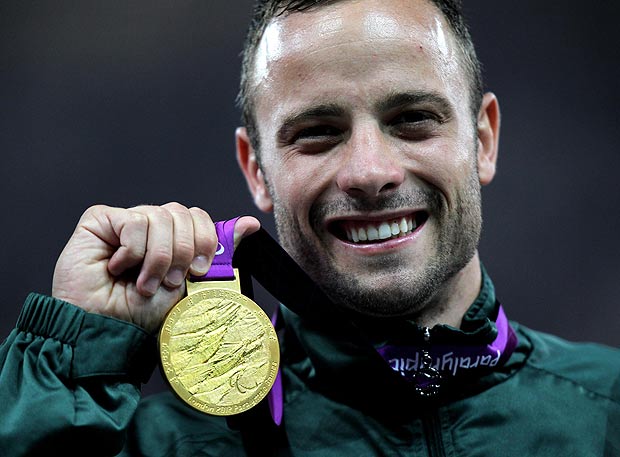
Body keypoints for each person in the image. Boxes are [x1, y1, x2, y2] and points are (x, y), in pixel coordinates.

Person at [1, 0, 619, 455]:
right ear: (258, 171)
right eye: (318, 134)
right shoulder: (169, 448)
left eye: (412, 119)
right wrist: (70, 365)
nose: (370, 172)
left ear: (482, 140)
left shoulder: (609, 411)